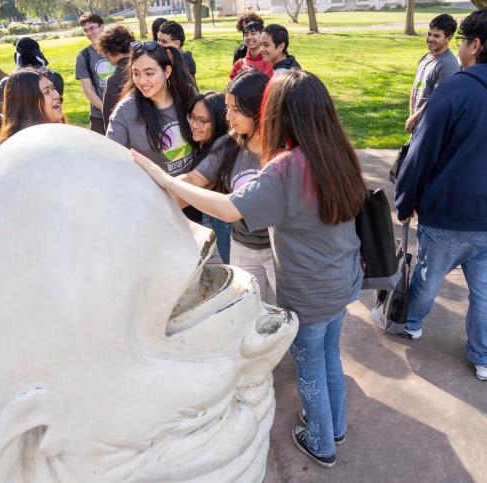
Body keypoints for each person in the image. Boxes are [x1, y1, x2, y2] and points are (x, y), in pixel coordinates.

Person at [133, 70, 366, 469]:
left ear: (279, 115)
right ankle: (335, 426)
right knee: (330, 356)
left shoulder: (286, 167)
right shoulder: (336, 152)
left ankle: (322, 442)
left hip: (309, 291)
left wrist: (161, 178)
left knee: (310, 365)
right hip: (342, 279)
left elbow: (226, 208)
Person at [394, 9, 487, 382]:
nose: (458, 47)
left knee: (428, 275)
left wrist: (404, 202)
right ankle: (485, 356)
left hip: (450, 214)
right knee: (486, 289)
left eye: (461, 40)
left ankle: (411, 323)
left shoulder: (453, 90)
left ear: (475, 45)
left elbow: (420, 155)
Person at [178, 71, 276, 302]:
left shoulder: (282, 149)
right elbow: (193, 180)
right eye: (227, 108)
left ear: (259, 109)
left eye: (236, 109)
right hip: (243, 246)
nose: (228, 116)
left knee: (286, 313)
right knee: (249, 309)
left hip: (279, 248)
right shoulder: (228, 145)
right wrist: (159, 187)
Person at [106, 41, 199, 222]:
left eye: (149, 73)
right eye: (136, 74)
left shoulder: (188, 94)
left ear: (167, 72)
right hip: (153, 207)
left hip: (193, 195)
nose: (142, 81)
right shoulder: (125, 111)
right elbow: (110, 161)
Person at [185, 91, 231, 264]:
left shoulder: (217, 155)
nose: (195, 125)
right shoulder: (197, 146)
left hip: (214, 231)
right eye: (192, 117)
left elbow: (192, 187)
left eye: (203, 121)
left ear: (219, 121)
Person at [405, 14, 459, 133]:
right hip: (418, 123)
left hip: (432, 126)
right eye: (429, 34)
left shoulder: (447, 64)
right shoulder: (425, 58)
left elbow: (437, 98)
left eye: (436, 36)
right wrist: (412, 115)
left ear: (448, 39)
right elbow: (415, 87)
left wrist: (415, 118)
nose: (430, 39)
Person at [0, 68, 64, 145]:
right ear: (27, 102)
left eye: (53, 88)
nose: (57, 96)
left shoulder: (63, 134)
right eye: (46, 92)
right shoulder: (16, 147)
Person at [76, 13, 114, 135]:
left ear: (102, 27)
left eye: (92, 28)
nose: (89, 33)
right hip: (99, 115)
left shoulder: (118, 49)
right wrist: (107, 110)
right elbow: (89, 91)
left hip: (126, 110)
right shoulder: (83, 56)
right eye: (86, 30)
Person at [0, 36, 64, 102]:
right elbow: (57, 104)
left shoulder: (5, 83)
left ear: (17, 56)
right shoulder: (55, 78)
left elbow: (3, 109)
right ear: (39, 54)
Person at [95, 24, 136, 130]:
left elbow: (109, 118)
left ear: (114, 49)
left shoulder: (114, 80)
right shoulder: (147, 68)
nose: (105, 55)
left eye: (106, 51)